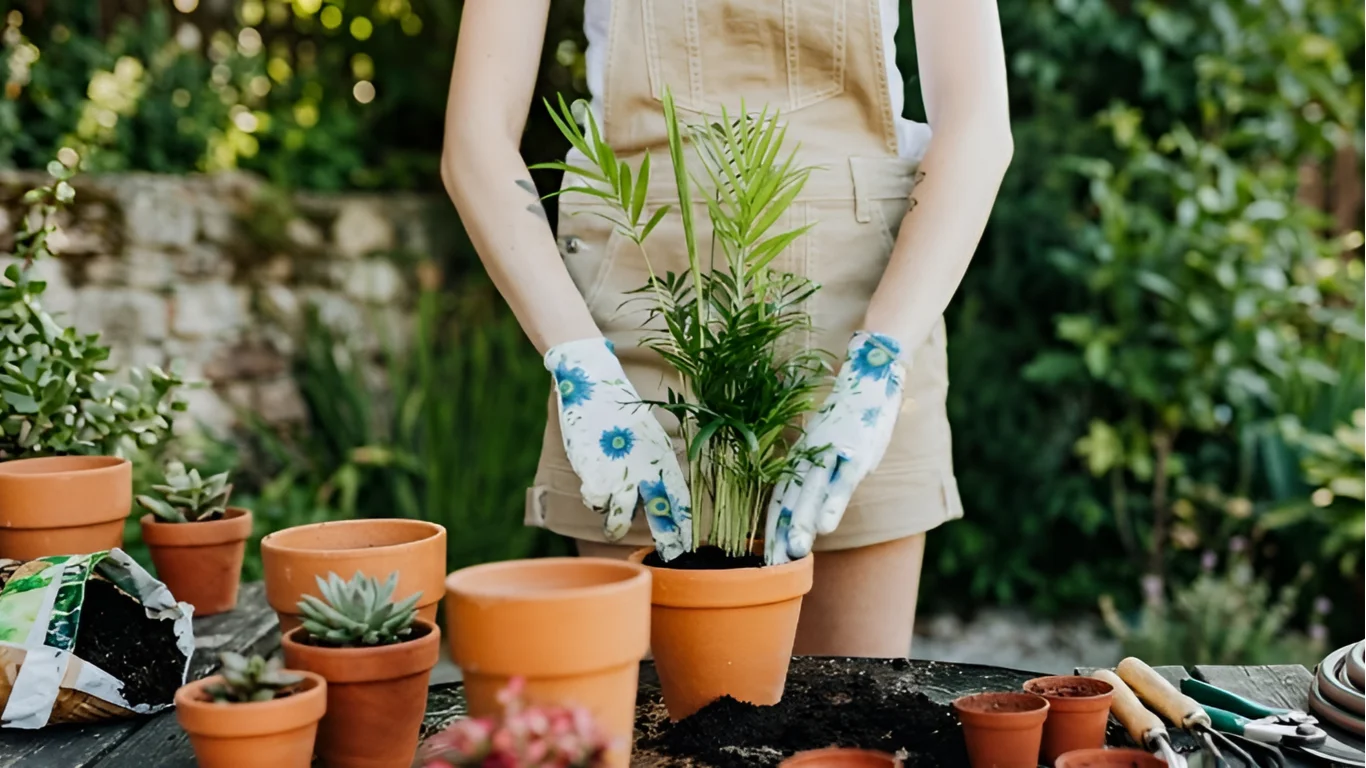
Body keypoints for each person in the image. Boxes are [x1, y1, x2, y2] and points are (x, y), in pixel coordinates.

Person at [442, 0, 1013, 657]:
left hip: (860, 323)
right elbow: (476, 139)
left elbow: (976, 123)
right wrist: (578, 362)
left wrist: (880, 362)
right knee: (653, 711)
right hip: (638, 324)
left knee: (851, 706)